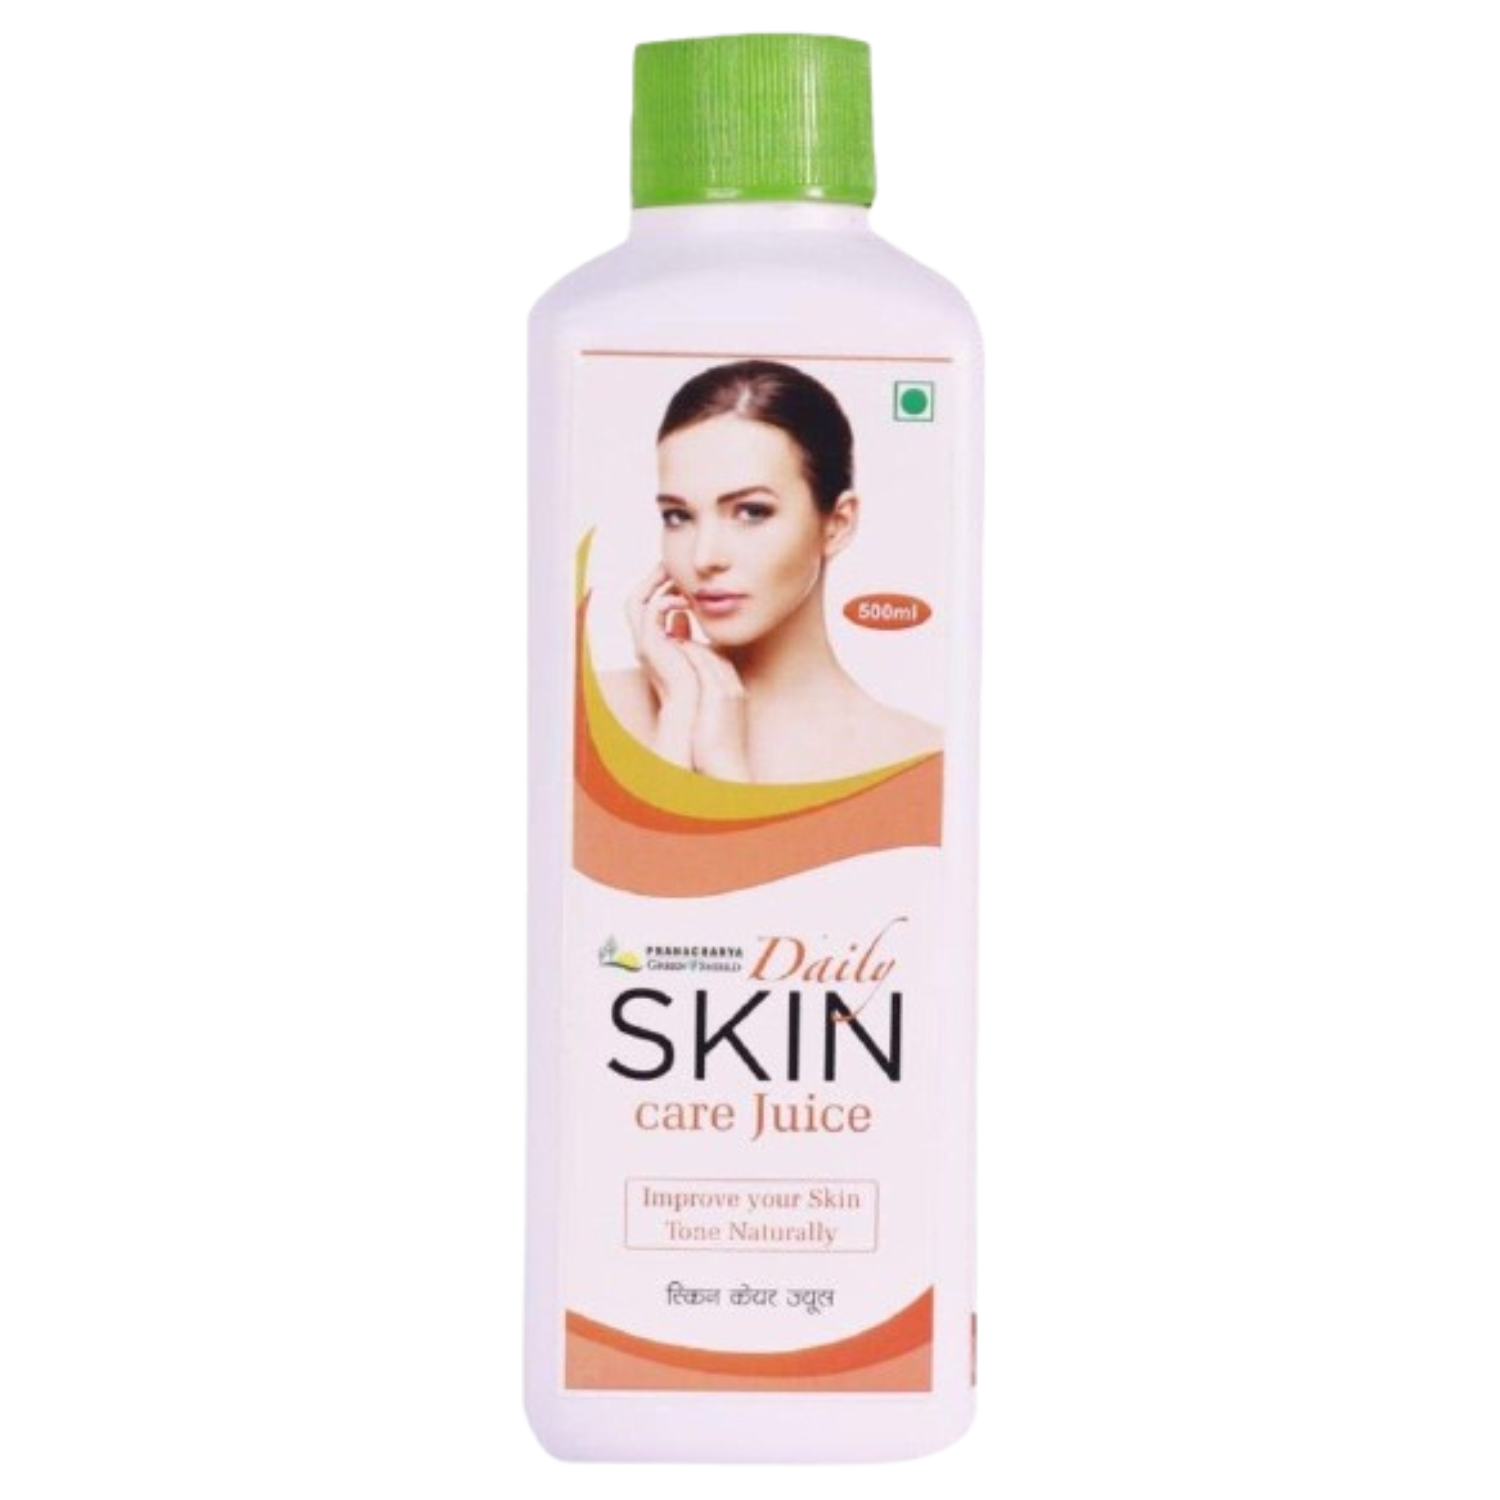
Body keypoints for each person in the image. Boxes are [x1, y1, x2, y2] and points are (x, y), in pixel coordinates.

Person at [598, 359, 941, 783]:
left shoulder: (917, 757)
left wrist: (723, 766)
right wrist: (677, 721)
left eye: (751, 511)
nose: (704, 557)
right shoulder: (596, 713)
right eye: (678, 516)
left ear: (837, 524)